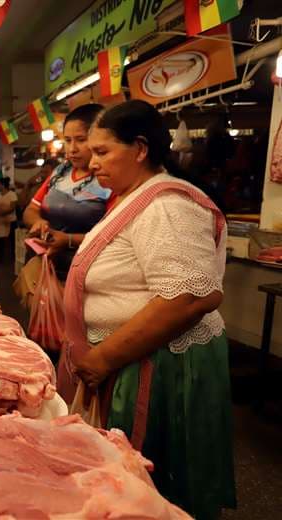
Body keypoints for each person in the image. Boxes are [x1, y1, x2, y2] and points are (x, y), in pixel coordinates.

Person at [59, 100, 235, 519]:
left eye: (103, 152)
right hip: (133, 362)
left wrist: (102, 358)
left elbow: (190, 296)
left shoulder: (168, 206)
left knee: (153, 491)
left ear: (139, 149)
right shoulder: (133, 196)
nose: (91, 161)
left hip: (159, 369)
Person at [23, 104, 114, 281]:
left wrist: (69, 240)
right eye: (67, 140)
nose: (72, 149)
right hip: (48, 267)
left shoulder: (109, 179)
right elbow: (30, 211)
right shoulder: (60, 172)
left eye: (81, 139)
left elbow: (114, 235)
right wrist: (39, 223)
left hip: (89, 272)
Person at [0, 177, 17, 263]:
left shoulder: (12, 194)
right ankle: (0, 257)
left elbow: (12, 207)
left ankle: (13, 257)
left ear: (2, 185)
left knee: (12, 240)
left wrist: (2, 213)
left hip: (10, 221)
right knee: (0, 241)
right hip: (0, 222)